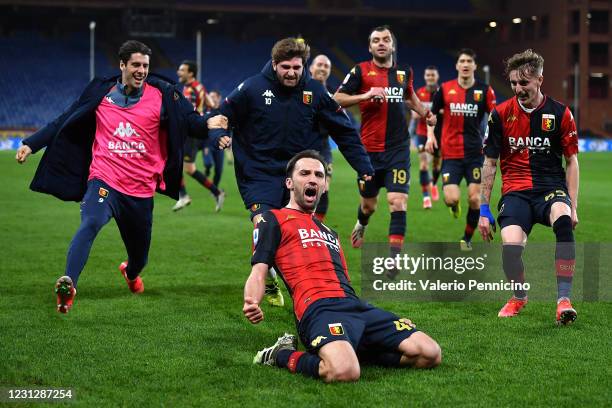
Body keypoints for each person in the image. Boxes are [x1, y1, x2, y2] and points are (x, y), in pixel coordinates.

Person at [15, 40, 226, 313]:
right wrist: (31, 144)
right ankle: (69, 283)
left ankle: (131, 272)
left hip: (139, 192)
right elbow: (64, 118)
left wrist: (211, 125)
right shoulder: (100, 92)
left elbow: (191, 122)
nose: (141, 70)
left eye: (146, 66)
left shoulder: (163, 94)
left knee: (139, 257)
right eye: (136, 64)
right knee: (90, 223)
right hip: (104, 179)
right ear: (122, 65)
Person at [243, 150, 441, 382]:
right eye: (304, 173)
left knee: (430, 353)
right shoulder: (272, 219)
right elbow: (259, 269)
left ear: (325, 185)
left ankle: (353, 347)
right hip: (317, 310)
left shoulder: (330, 233)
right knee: (344, 371)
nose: (312, 179)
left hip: (354, 307)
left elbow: (343, 281)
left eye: (318, 175)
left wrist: (385, 320)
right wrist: (252, 301)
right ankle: (281, 354)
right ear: (289, 182)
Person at [210, 37, 374, 307]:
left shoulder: (316, 92)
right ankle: (266, 279)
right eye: (285, 67)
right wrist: (218, 133)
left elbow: (344, 131)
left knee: (296, 231)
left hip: (296, 174)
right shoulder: (252, 88)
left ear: (303, 66)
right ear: (274, 65)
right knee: (264, 223)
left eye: (297, 67)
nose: (291, 73)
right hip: (257, 172)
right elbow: (222, 114)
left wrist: (364, 166)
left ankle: (308, 286)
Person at [478, 49, 579, 325]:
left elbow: (572, 161)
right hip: (516, 191)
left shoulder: (560, 113)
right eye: (513, 83)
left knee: (563, 219)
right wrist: (483, 209)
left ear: (539, 80)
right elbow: (489, 162)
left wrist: (574, 206)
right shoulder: (500, 114)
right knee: (510, 247)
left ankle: (563, 300)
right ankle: (519, 296)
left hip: (550, 188)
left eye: (524, 83)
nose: (518, 88)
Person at [334, 25, 433, 259]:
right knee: (369, 205)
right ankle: (362, 222)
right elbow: (338, 98)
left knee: (397, 201)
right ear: (370, 47)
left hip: (398, 149)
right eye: (376, 40)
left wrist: (425, 114)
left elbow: (409, 96)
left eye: (385, 39)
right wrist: (365, 96)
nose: (381, 43)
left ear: (392, 45)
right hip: (368, 151)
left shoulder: (403, 72)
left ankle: (394, 256)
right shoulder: (360, 71)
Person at [426, 48, 496, 251]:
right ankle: (454, 206)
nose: (465, 64)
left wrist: (493, 139)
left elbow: (494, 118)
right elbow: (431, 116)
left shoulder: (484, 90)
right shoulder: (445, 89)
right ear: (457, 65)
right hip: (451, 155)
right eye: (462, 61)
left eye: (469, 61)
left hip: (475, 154)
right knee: (451, 198)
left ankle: (466, 238)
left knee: (475, 199)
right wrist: (431, 136)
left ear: (474, 66)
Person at [172, 60, 225, 212]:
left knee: (173, 161)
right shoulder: (199, 86)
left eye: (182, 70)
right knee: (188, 168)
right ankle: (217, 192)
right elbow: (212, 104)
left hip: (190, 132)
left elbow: (186, 111)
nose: (178, 72)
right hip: (195, 130)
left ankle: (183, 196)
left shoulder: (189, 90)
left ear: (190, 73)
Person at [411, 66, 442, 209]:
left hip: (439, 134)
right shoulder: (419, 93)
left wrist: (426, 111)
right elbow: (414, 115)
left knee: (436, 164)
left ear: (437, 77)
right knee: (424, 164)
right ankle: (426, 198)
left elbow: (446, 113)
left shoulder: (442, 93)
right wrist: (435, 111)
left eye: (432, 75)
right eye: (428, 75)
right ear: (425, 77)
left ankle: (434, 184)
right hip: (422, 133)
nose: (430, 77)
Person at [308, 54, 334, 221]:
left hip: (323, 148)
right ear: (311, 68)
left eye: (326, 66)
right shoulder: (298, 92)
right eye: (320, 64)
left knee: (323, 188)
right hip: (299, 147)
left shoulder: (332, 98)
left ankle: (316, 228)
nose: (323, 68)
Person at [202, 90, 225, 188]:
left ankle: (214, 188)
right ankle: (207, 169)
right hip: (207, 143)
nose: (211, 98)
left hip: (219, 144)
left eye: (213, 96)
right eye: (210, 96)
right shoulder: (205, 110)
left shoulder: (224, 110)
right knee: (208, 163)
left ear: (219, 97)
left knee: (219, 170)